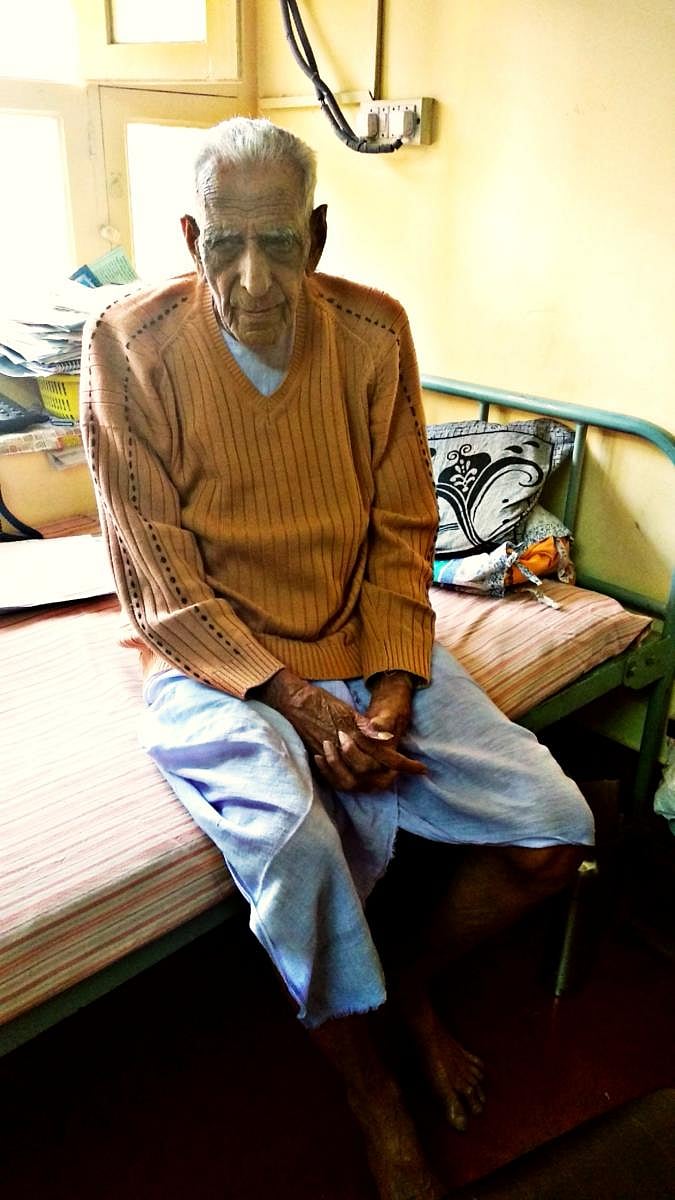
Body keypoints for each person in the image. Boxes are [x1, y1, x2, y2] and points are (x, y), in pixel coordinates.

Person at [81, 117, 594, 1200]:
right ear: (190, 238)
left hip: (366, 641)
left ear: (315, 234)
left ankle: (398, 987)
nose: (252, 279)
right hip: (216, 659)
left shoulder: (372, 331)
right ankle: (373, 1096)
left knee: (553, 830)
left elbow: (405, 529)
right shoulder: (128, 344)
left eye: (277, 243)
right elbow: (152, 570)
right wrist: (306, 709)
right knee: (295, 841)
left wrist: (394, 690)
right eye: (224, 244)